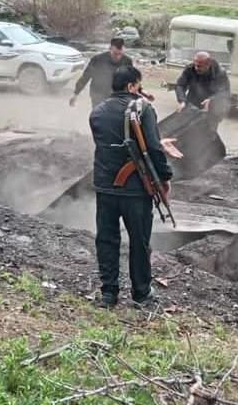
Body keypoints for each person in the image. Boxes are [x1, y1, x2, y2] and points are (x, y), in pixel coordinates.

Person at [89, 65, 172, 308]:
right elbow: (154, 149)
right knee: (139, 240)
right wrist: (165, 177)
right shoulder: (143, 109)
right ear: (130, 86)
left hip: (105, 186)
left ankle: (108, 293)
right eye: (138, 86)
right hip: (135, 190)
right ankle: (141, 293)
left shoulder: (97, 112)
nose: (140, 91)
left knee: (106, 239)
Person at [71, 38, 154, 109]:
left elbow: (132, 80)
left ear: (123, 51)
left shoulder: (127, 61)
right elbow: (85, 76)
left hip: (118, 97)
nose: (118, 57)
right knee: (99, 118)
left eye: (120, 54)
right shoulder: (97, 60)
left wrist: (143, 92)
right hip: (98, 95)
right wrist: (75, 94)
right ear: (110, 49)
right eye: (115, 54)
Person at [174, 52, 231, 127]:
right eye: (195, 65)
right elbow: (180, 85)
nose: (196, 68)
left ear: (208, 64)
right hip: (193, 103)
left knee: (207, 133)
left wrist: (212, 100)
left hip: (212, 108)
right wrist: (182, 101)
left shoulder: (220, 73)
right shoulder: (190, 69)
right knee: (188, 129)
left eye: (200, 66)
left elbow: (225, 92)